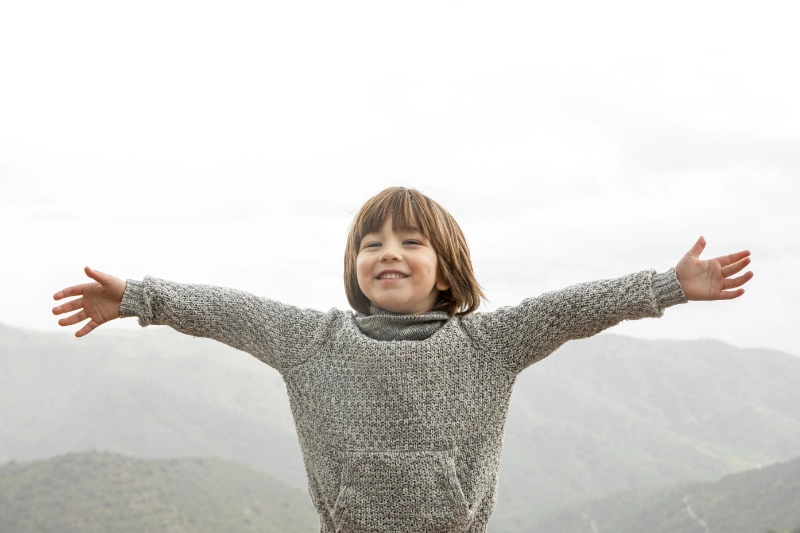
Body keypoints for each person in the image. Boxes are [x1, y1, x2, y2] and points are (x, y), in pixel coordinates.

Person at [52, 186, 753, 533]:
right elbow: (229, 311)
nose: (389, 251)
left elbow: (573, 307)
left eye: (411, 242)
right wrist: (142, 296)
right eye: (372, 243)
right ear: (354, 269)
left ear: (446, 271)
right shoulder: (311, 341)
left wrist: (668, 285)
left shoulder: (490, 344)